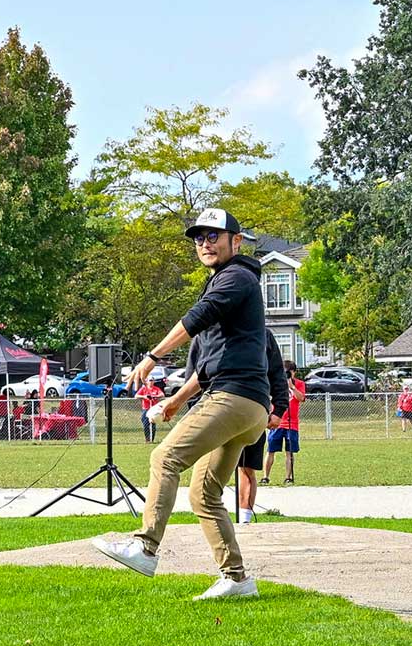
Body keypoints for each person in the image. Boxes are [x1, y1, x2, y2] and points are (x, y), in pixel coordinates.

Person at [92, 207, 270, 601]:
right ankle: (237, 579)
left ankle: (146, 547)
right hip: (248, 406)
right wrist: (175, 402)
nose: (205, 243)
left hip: (234, 397)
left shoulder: (236, 277)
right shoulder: (230, 285)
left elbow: (196, 318)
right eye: (199, 237)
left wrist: (152, 356)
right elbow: (208, 364)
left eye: (214, 236)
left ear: (235, 242)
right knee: (203, 494)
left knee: (164, 458)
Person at [235, 334, 289, 523]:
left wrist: (279, 409)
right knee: (211, 469)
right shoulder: (217, 329)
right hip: (221, 410)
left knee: (246, 468)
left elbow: (277, 373)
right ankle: (214, 523)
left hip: (254, 411)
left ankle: (245, 520)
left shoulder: (263, 334)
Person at [263, 360, 306, 485]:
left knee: (290, 452)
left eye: (288, 372)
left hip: (292, 424)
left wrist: (292, 387)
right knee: (270, 450)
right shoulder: (276, 384)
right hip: (277, 422)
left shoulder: (299, 384)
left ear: (294, 372)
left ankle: (288, 477)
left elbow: (301, 398)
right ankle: (266, 476)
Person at [136, 377, 165, 443]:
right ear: (147, 381)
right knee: (145, 424)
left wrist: (155, 396)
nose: (151, 382)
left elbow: (162, 394)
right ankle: (147, 439)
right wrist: (144, 396)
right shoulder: (144, 389)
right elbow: (136, 395)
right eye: (150, 380)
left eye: (152, 380)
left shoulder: (156, 389)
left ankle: (152, 440)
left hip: (154, 409)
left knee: (153, 425)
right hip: (146, 409)